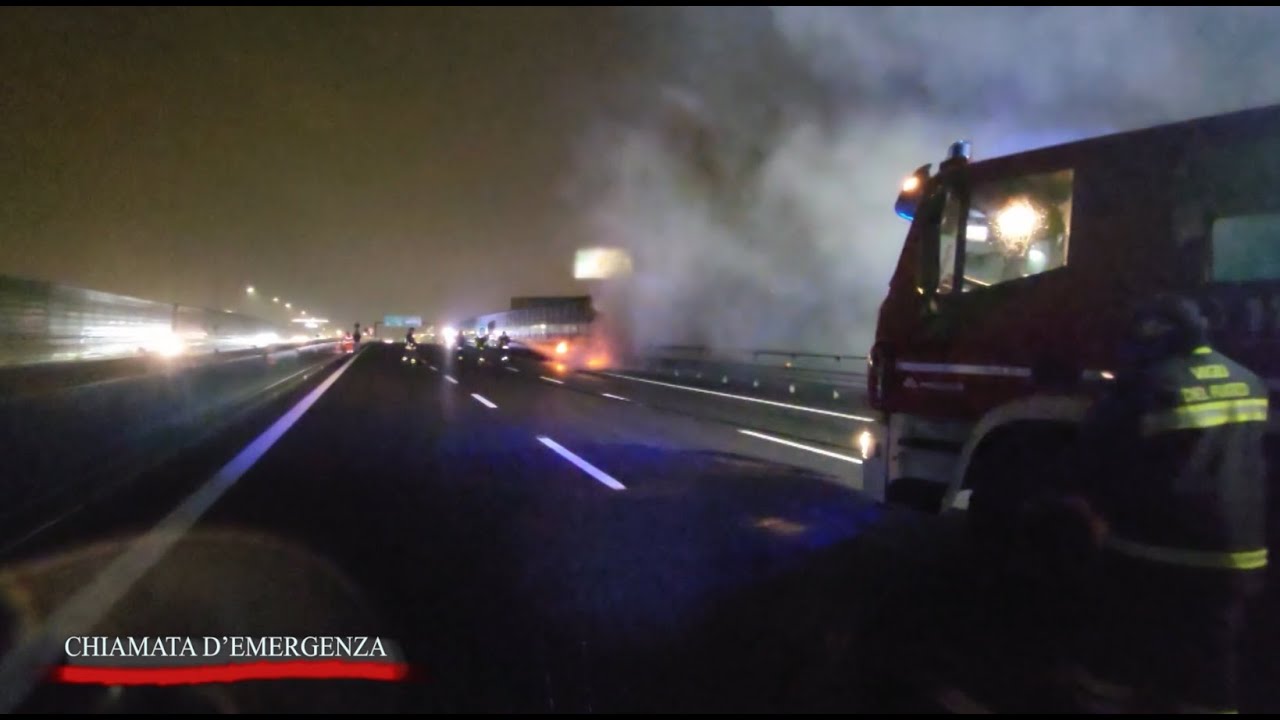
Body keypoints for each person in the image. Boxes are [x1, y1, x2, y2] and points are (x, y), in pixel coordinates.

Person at [1071, 295, 1269, 713]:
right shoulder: (1249, 380)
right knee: (1213, 663)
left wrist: (1095, 517)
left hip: (1153, 552)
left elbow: (1094, 460)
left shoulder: (1145, 386)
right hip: (1238, 557)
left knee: (1118, 657)